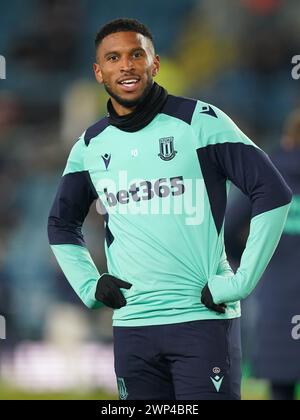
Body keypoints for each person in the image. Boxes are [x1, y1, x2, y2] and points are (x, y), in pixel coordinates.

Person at [47, 18, 292, 400]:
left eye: (135, 54)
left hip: (202, 320)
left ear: (154, 64)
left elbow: (273, 192)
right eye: (113, 58)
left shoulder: (199, 122)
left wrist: (241, 282)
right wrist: (90, 285)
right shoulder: (89, 145)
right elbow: (61, 223)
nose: (125, 65)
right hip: (133, 327)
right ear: (99, 72)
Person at [225, 109, 300, 400]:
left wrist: (253, 260)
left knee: (279, 388)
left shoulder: (266, 173)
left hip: (276, 299)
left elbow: (228, 228)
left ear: (288, 137)